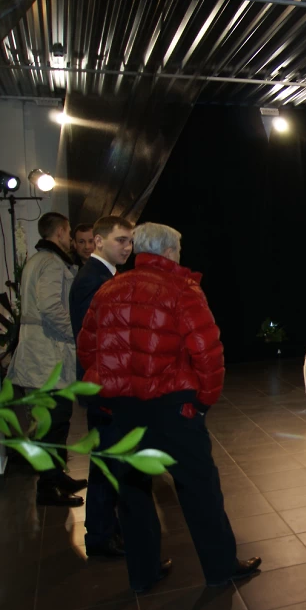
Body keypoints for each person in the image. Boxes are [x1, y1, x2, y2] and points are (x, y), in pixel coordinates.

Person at [76, 223, 260, 592]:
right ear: (169, 251)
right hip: (172, 408)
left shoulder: (108, 290)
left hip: (123, 409)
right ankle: (220, 569)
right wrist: (203, 402)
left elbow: (87, 349)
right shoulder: (182, 289)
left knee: (133, 493)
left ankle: (143, 574)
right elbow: (208, 354)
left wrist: (106, 398)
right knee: (199, 488)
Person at [7, 212, 86, 507]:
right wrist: (76, 333)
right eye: (69, 232)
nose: (71, 238)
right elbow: (51, 307)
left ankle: (55, 475)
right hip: (46, 354)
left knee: (56, 421)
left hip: (41, 352)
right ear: (62, 232)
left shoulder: (37, 260)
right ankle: (47, 487)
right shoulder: (51, 263)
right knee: (52, 422)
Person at [68, 215, 133, 559]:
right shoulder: (93, 280)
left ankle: (107, 530)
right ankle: (101, 535)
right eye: (121, 240)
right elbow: (96, 341)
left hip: (107, 384)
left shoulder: (103, 276)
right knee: (107, 463)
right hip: (104, 386)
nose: (127, 247)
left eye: (130, 241)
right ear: (98, 241)